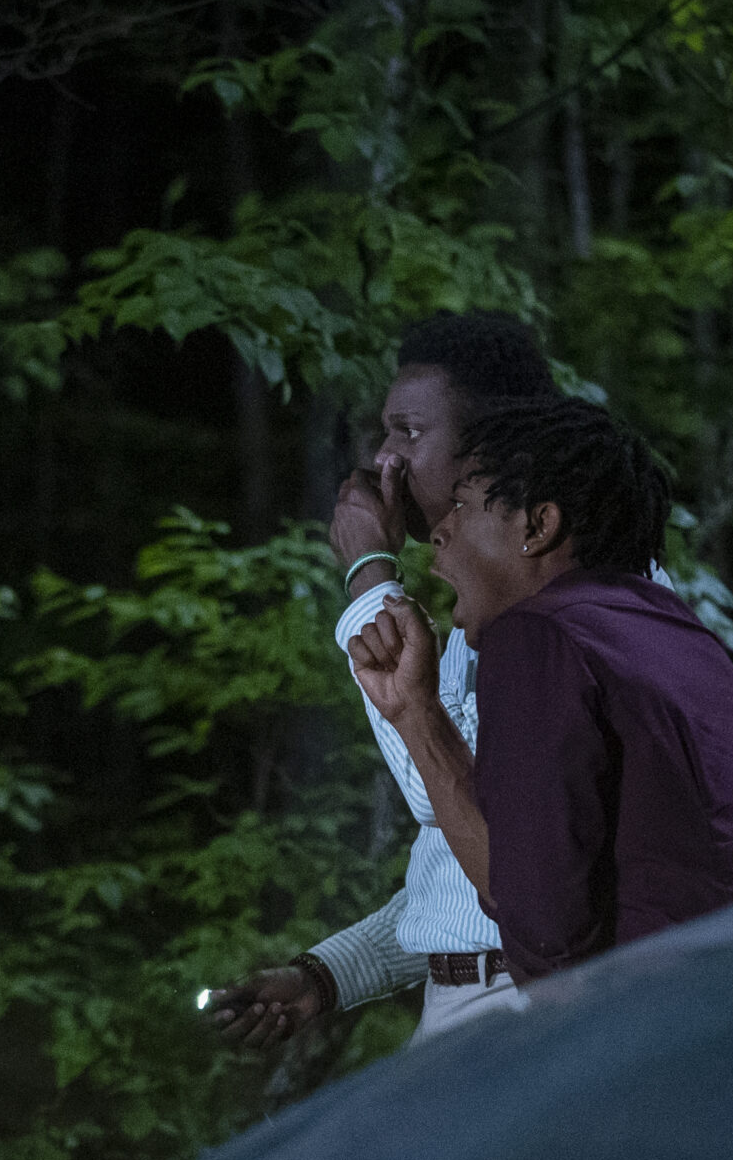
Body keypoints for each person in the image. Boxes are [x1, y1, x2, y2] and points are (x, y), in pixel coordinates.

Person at [348, 394, 733, 982]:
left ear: (539, 525)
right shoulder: (671, 626)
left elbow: (546, 930)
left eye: (462, 505)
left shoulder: (538, 635)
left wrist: (417, 712)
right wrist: (416, 712)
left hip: (662, 1011)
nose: (439, 531)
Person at [206, 312, 555, 1049]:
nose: (384, 459)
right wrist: (325, 975)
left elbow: (445, 792)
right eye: (384, 434)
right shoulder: (480, 613)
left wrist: (369, 574)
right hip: (470, 1006)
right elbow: (458, 872)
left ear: (492, 446)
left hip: (532, 1010)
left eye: (409, 432)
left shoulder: (560, 610)